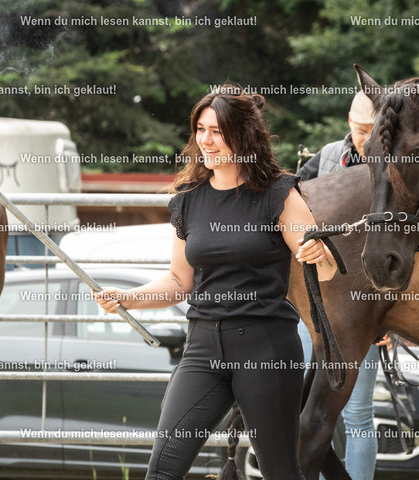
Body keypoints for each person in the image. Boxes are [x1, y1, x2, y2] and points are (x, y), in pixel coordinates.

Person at [94, 84, 338, 479]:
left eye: (217, 132)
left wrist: (319, 254)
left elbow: (323, 269)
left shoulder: (278, 193)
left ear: (243, 136)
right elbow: (179, 281)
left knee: (280, 471)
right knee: (163, 469)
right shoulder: (188, 199)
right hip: (203, 346)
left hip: (266, 346)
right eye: (200, 130)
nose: (205, 141)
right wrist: (128, 298)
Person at [297, 91, 379, 480]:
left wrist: (393, 321)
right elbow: (292, 213)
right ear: (349, 120)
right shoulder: (328, 157)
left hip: (369, 309)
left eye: (374, 130)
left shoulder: (395, 165)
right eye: (361, 130)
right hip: (315, 302)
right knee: (306, 406)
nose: (366, 139)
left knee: (358, 413)